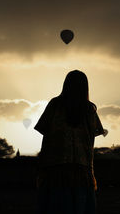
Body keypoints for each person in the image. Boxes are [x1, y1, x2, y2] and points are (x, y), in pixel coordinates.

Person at [34, 70, 108, 213]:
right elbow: (91, 140)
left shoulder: (55, 105)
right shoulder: (89, 109)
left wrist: (42, 168)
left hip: (56, 168)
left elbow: (45, 135)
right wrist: (90, 170)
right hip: (81, 169)